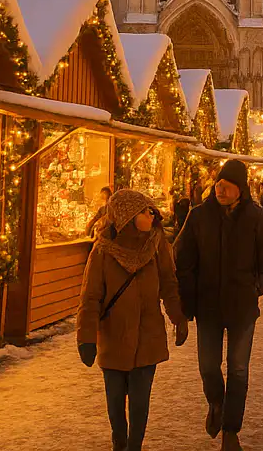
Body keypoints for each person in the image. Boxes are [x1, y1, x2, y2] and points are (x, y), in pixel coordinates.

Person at [174, 159, 263, 451]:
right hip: (207, 304)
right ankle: (216, 402)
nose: (221, 190)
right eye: (218, 184)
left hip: (242, 305)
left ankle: (231, 431)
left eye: (227, 185)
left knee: (239, 369)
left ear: (240, 189)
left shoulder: (256, 217)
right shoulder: (198, 217)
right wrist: (187, 296)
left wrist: (259, 285)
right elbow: (183, 258)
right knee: (208, 365)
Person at [76, 189, 188, 451]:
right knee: (115, 402)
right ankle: (119, 441)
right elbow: (90, 298)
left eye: (151, 211)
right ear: (127, 216)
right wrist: (86, 338)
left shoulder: (157, 244)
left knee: (139, 401)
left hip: (147, 337)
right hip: (114, 337)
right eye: (145, 211)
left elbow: (169, 284)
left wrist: (178, 317)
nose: (152, 215)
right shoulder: (102, 252)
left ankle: (134, 446)